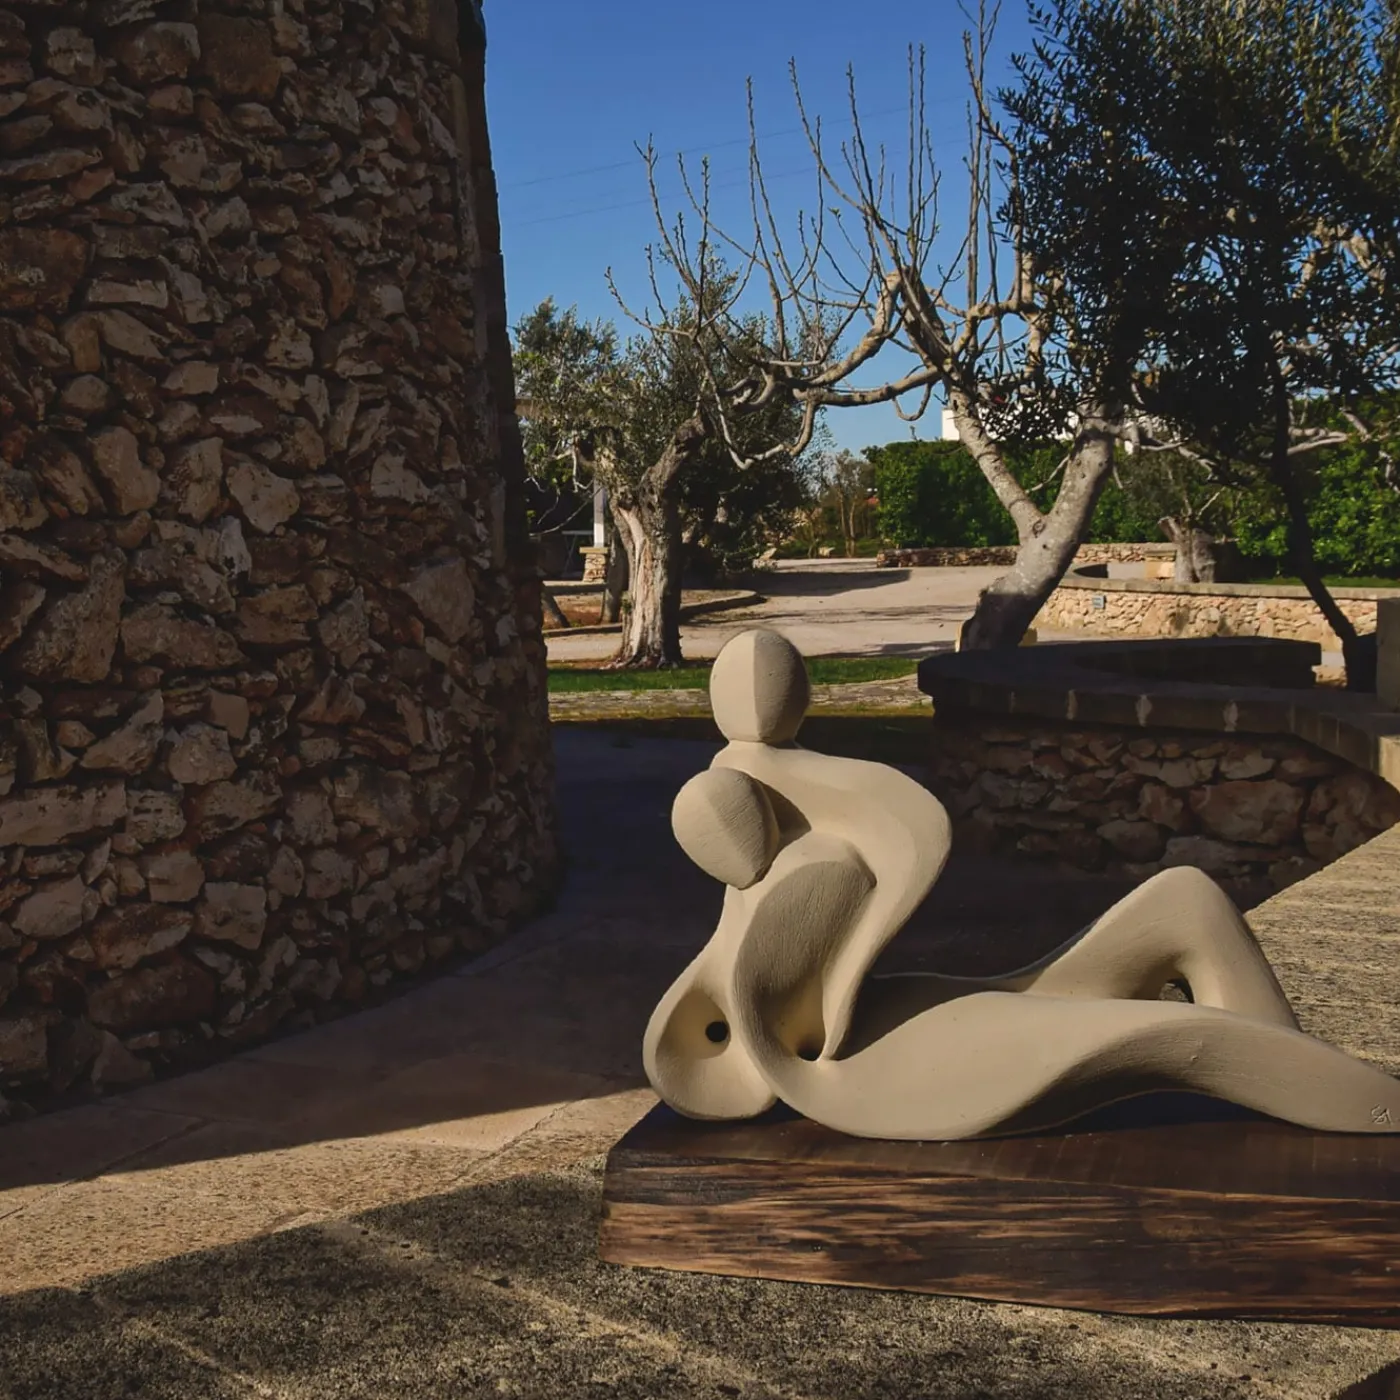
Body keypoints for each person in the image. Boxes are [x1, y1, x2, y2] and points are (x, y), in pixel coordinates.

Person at [644, 629, 1400, 1140]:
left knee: (1187, 901)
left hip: (910, 1017)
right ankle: (1326, 1093)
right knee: (1193, 1026)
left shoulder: (805, 816)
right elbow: (753, 1023)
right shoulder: (788, 849)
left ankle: (1301, 1088)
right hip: (871, 1062)